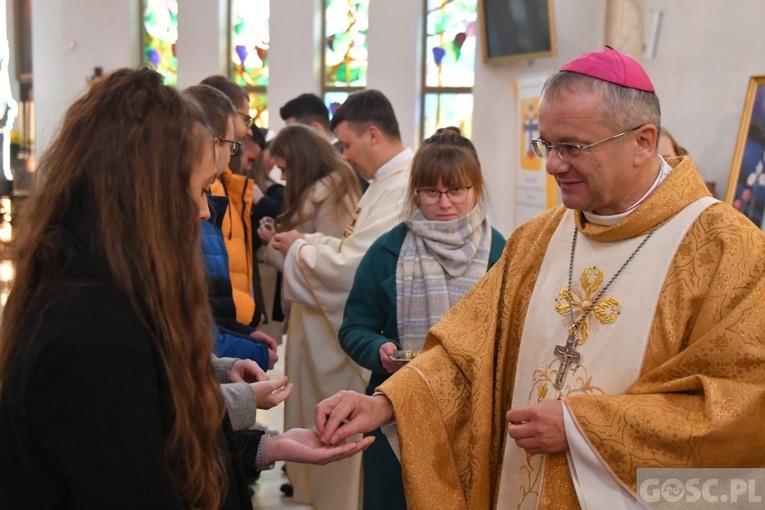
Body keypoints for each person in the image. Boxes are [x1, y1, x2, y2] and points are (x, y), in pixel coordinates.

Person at [316, 47, 765, 509]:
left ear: (643, 142)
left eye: (572, 147)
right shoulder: (537, 239)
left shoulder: (727, 249)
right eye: (546, 145)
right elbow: (467, 351)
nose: (552, 164)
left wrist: (581, 427)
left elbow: (742, 407)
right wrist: (387, 402)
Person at [0, 67, 373, 510]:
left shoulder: (113, 293)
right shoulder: (90, 329)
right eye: (196, 190)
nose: (202, 212)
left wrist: (264, 447)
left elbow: (158, 438)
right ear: (143, 195)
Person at [339, 127, 506, 510]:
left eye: (457, 190)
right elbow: (354, 327)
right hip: (395, 407)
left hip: (475, 411)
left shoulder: (500, 251)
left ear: (476, 190)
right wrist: (378, 347)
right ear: (415, 193)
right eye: (432, 192)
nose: (445, 203)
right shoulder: (388, 250)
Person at [270, 89, 414, 509]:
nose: (345, 157)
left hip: (380, 334)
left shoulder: (401, 184)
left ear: (373, 135)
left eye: (348, 145)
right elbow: (355, 245)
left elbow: (355, 266)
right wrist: (309, 240)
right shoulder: (383, 182)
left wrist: (300, 250)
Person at [183, 83, 278, 370]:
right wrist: (248, 347)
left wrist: (244, 330)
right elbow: (189, 327)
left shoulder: (223, 186)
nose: (202, 211)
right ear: (211, 140)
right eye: (232, 142)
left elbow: (214, 304)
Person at [280, 92, 369, 193]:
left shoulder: (345, 161)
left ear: (315, 129)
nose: (291, 142)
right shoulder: (313, 162)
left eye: (294, 135)